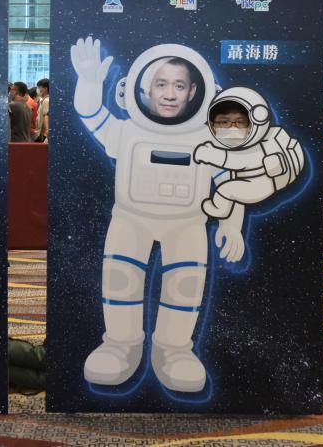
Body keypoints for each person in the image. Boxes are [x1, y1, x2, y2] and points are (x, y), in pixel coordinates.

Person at [70, 36, 245, 393]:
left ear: (194, 91)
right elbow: (91, 115)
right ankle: (120, 345)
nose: (169, 94)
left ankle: (174, 350)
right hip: (129, 220)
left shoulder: (207, 141)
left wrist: (232, 224)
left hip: (188, 225)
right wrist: (88, 84)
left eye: (179, 86)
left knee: (185, 286)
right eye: (161, 84)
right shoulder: (127, 130)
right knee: (120, 281)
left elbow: (230, 183)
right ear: (143, 88)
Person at [193, 87, 305, 219]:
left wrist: (208, 154)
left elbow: (235, 161)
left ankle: (219, 209)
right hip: (248, 179)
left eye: (240, 122)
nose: (232, 128)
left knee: (226, 190)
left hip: (260, 184)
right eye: (224, 122)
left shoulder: (258, 150)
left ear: (256, 122)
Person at [36, 78, 50, 143]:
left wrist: (46, 131)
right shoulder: (44, 100)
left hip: (43, 134)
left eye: (39, 87)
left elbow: (46, 116)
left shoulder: (46, 101)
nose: (38, 90)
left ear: (45, 89)